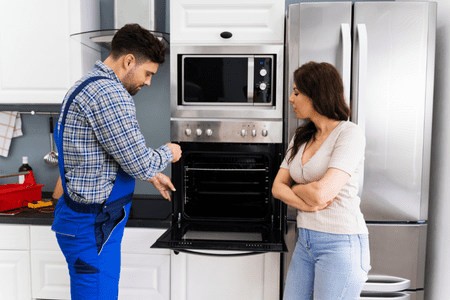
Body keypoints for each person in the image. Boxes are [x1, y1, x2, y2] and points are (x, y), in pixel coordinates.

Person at [51, 23, 182, 299]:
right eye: (147, 73)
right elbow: (141, 163)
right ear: (129, 61)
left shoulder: (86, 85)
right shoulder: (109, 94)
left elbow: (108, 155)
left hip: (91, 225)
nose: (147, 82)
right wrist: (169, 152)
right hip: (91, 228)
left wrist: (151, 175)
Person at [272, 61, 370, 299]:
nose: (290, 99)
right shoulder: (301, 136)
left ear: (316, 94)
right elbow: (277, 188)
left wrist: (296, 188)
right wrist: (308, 203)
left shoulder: (349, 133)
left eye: (296, 92)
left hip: (341, 243)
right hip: (305, 241)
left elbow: (321, 194)